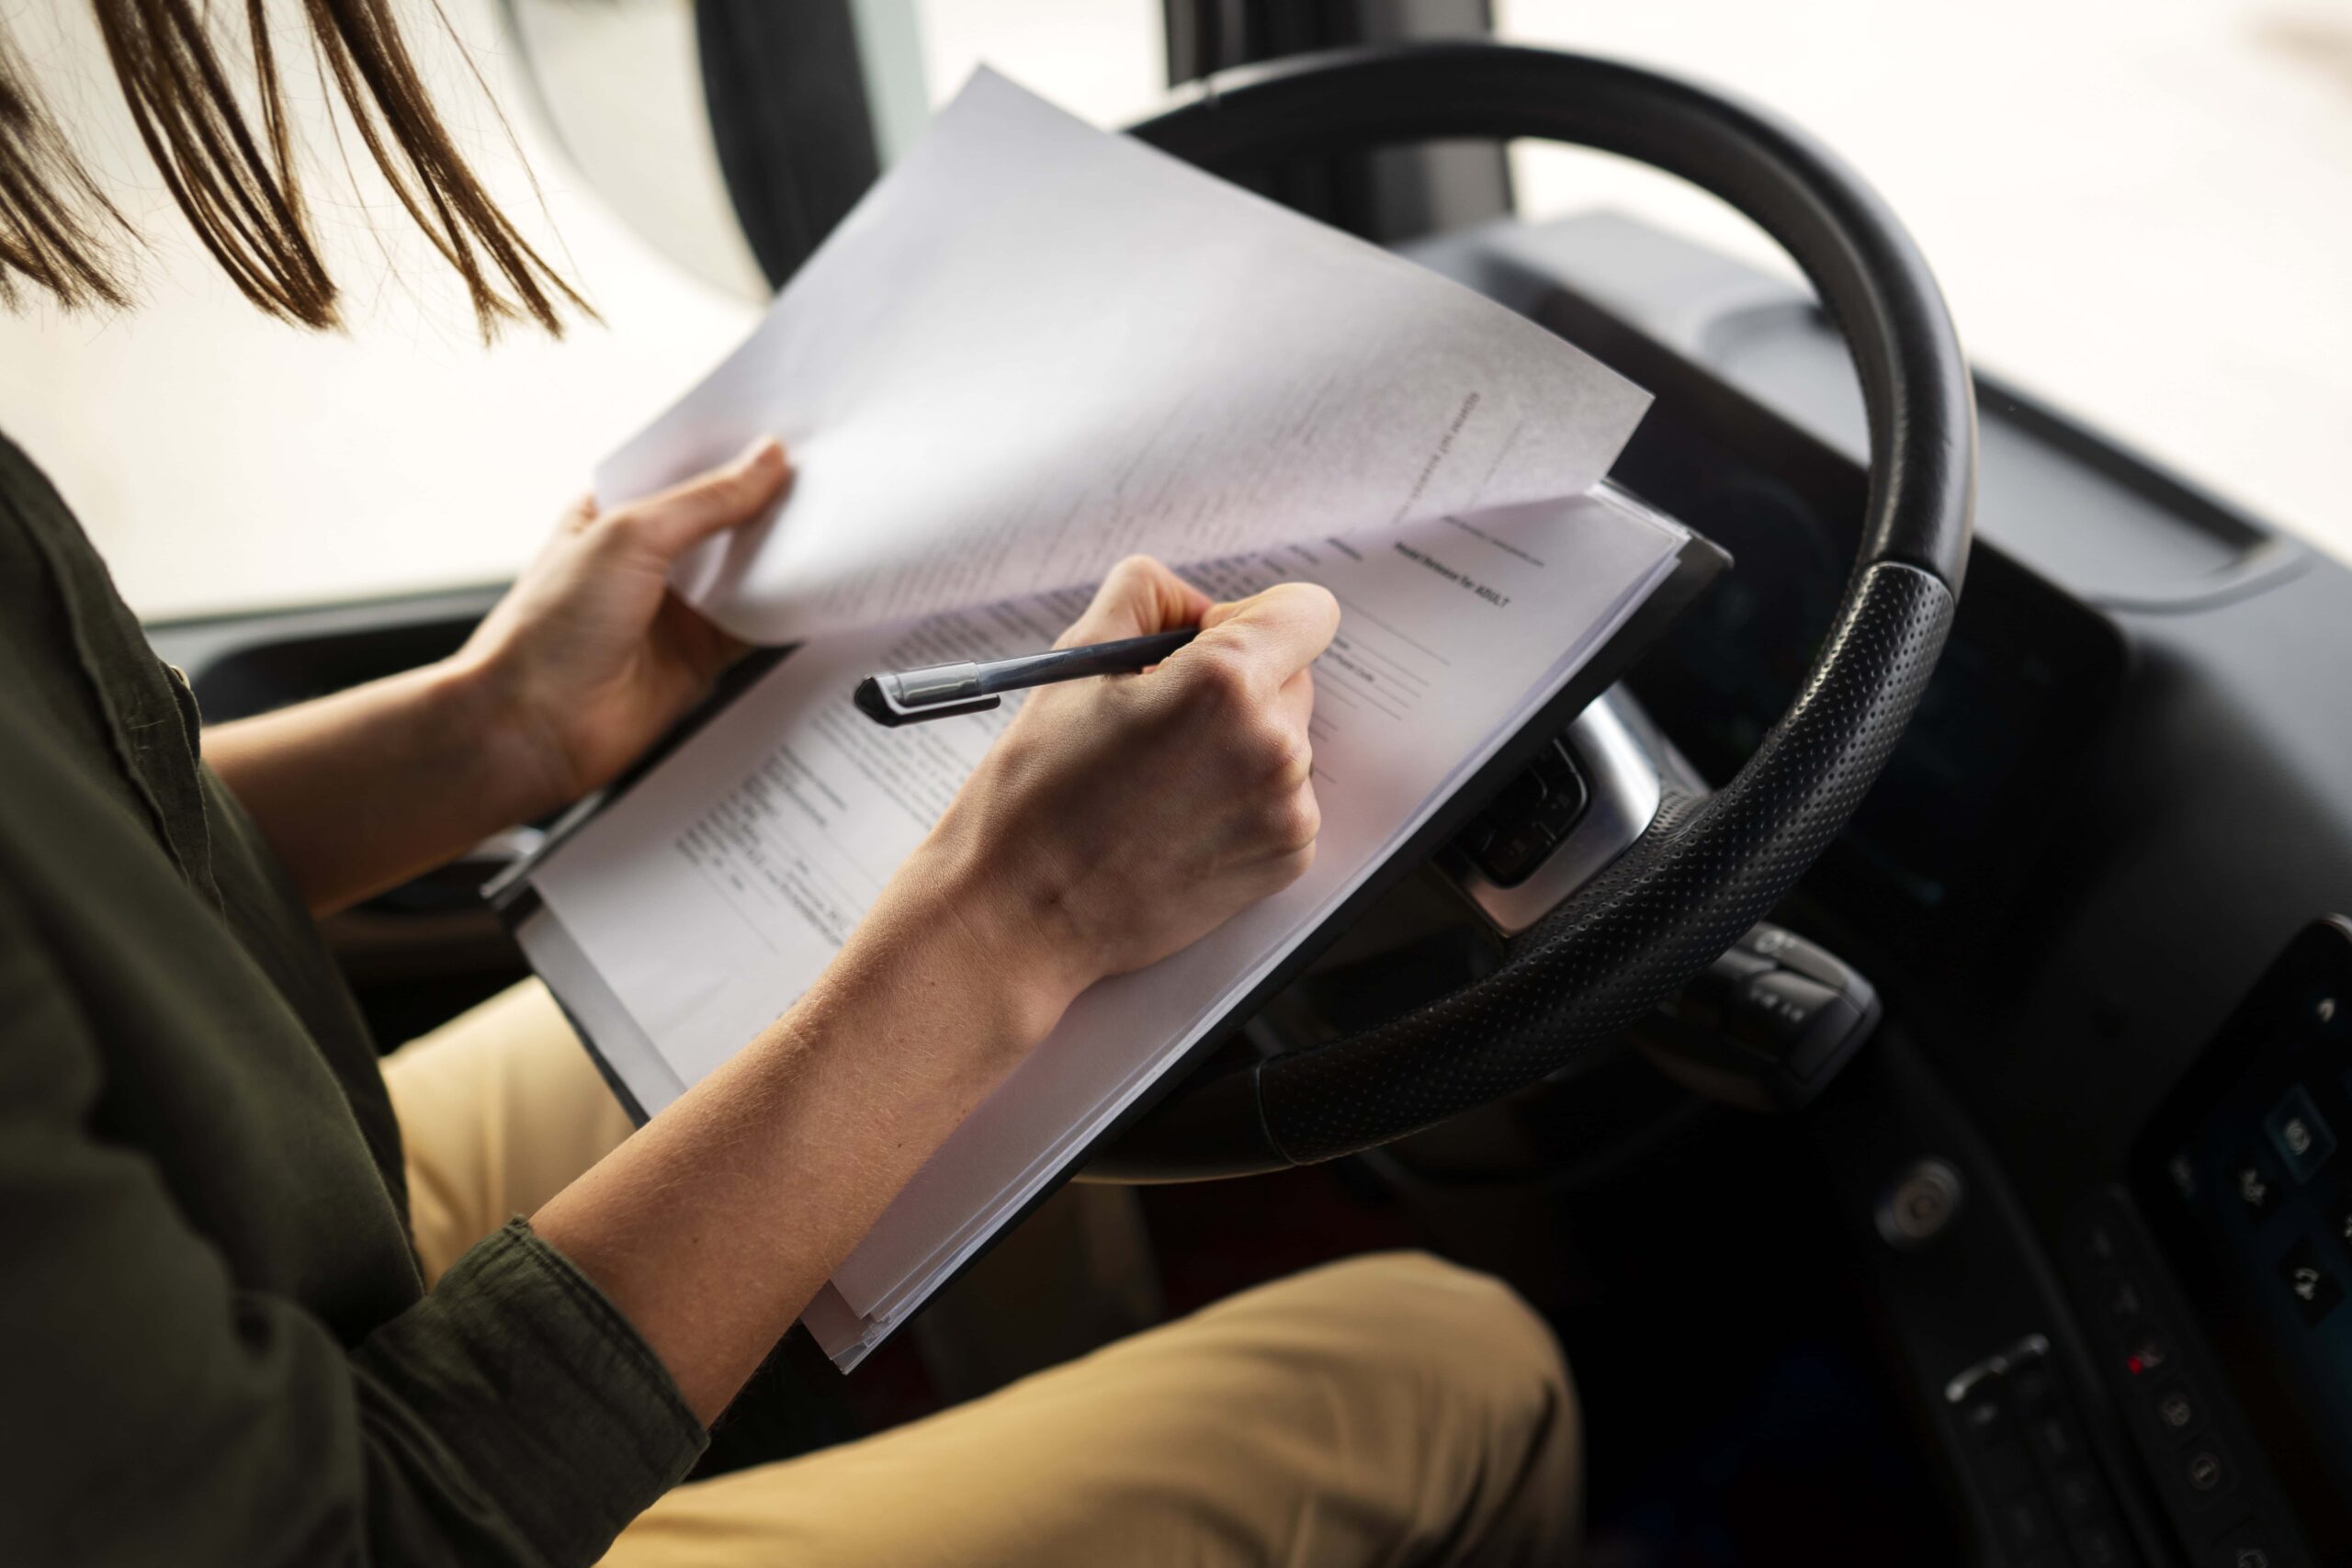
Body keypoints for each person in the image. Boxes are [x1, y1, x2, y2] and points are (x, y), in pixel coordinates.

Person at [0, 4, 1579, 1563]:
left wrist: (485, 736)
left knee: (886, 1020)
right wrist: (1016, 918)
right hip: (308, 1472)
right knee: (1451, 1369)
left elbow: (60, 854)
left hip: (202, 1236)